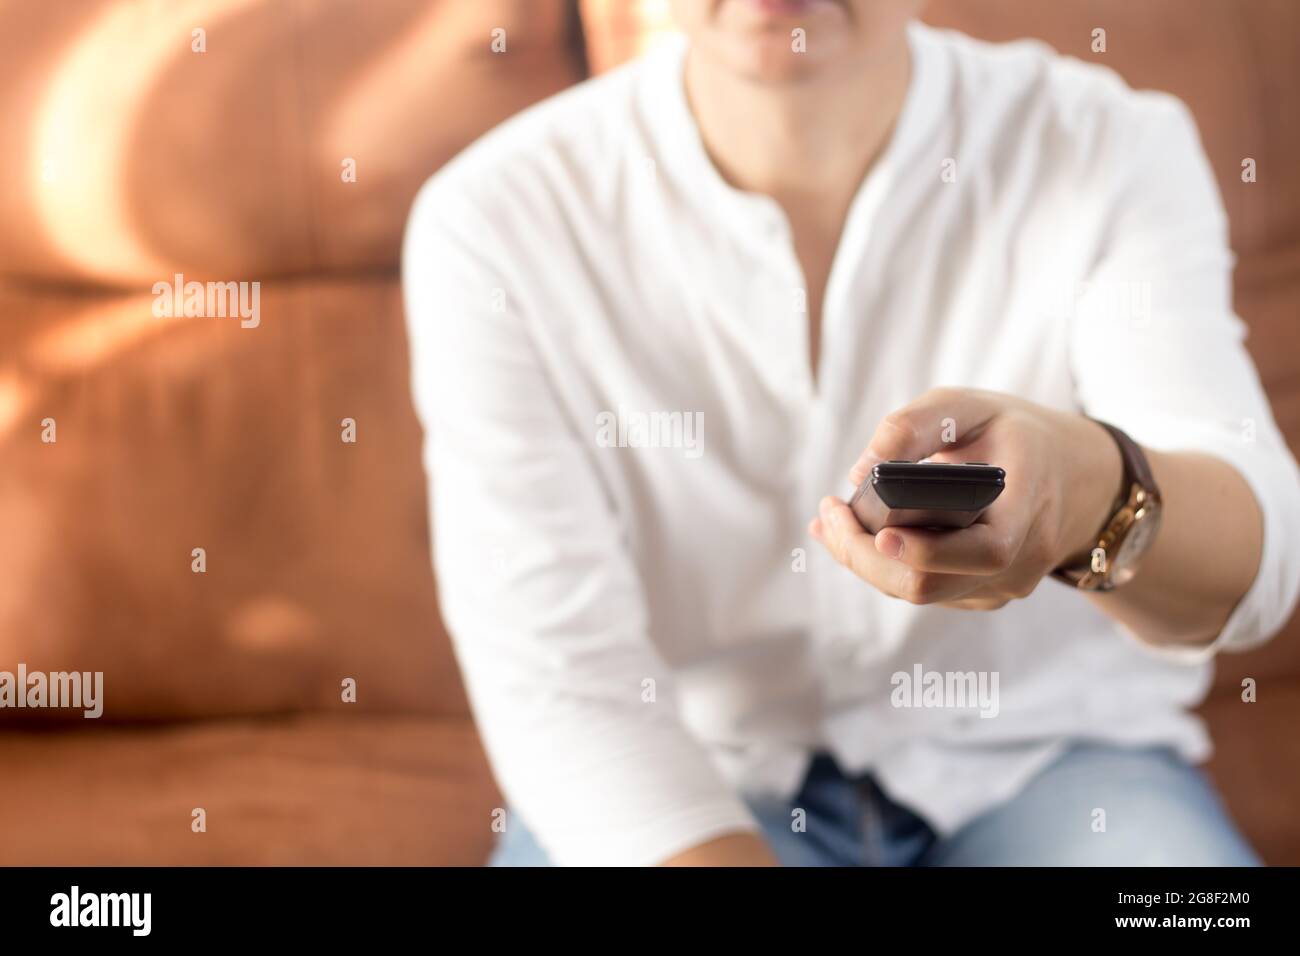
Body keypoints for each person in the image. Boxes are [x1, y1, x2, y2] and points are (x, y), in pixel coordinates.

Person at [401, 0, 1300, 866]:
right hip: (691, 777)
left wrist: (1080, 490)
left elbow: (1258, 577)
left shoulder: (1109, 144)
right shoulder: (493, 221)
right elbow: (560, 680)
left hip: (1057, 761)